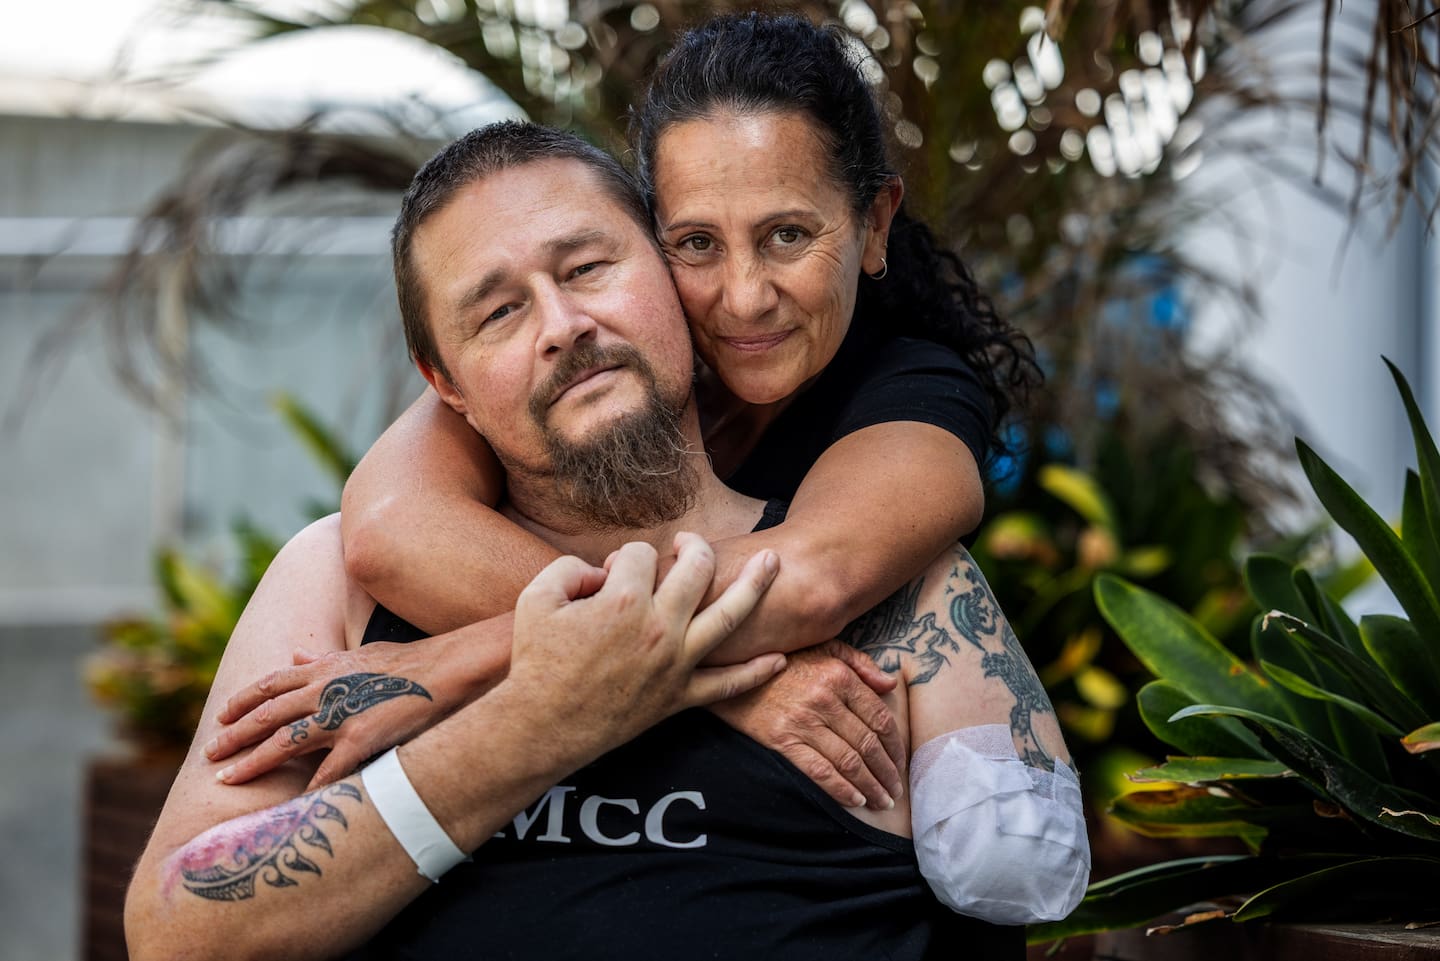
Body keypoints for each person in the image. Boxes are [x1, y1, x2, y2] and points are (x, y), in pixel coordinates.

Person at [125, 122, 1086, 961]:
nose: (563, 324)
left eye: (588, 268)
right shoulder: (336, 580)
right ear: (443, 380)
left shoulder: (885, 582)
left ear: (673, 276)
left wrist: (529, 657)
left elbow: (1020, 882)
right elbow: (176, 934)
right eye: (498, 310)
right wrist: (540, 722)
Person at [214, 13, 1042, 813]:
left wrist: (458, 660)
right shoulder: (603, 354)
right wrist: (734, 691)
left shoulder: (915, 388)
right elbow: (391, 529)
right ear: (645, 239)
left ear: (873, 223)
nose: (744, 298)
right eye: (697, 243)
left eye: (788, 235)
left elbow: (809, 580)